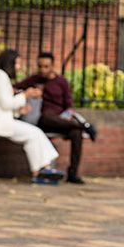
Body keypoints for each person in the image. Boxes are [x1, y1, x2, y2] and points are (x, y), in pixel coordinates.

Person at [0, 49, 64, 185]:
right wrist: (25, 95)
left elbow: (4, 104)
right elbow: (6, 104)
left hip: (1, 120)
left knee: (33, 135)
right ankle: (44, 170)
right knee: (34, 133)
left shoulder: (1, 76)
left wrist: (19, 111)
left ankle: (42, 170)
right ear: (10, 63)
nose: (19, 67)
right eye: (17, 63)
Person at [16, 51, 90, 184]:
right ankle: (83, 126)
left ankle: (73, 174)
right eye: (40, 66)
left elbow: (69, 107)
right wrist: (27, 96)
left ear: (52, 66)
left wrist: (66, 117)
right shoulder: (34, 80)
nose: (42, 70)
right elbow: (15, 88)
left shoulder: (62, 82)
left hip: (61, 121)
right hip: (43, 120)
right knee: (47, 116)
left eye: (46, 66)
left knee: (76, 133)